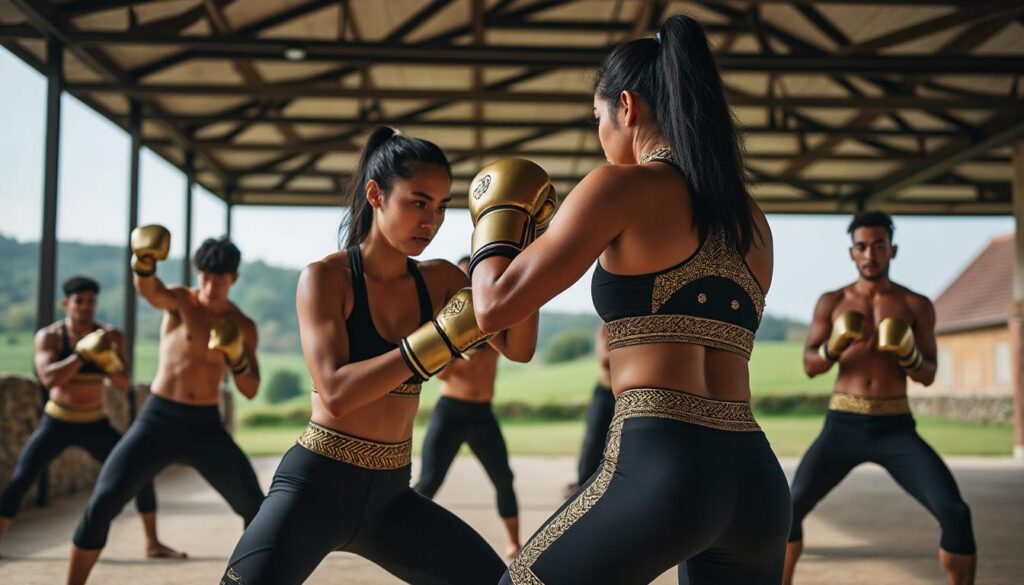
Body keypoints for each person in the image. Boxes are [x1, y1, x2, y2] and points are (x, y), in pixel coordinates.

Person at [471, 14, 790, 584]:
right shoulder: (752, 220)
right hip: (758, 481)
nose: (600, 133)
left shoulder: (621, 186)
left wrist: (495, 227)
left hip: (666, 463)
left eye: (598, 118)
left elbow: (495, 306)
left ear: (627, 106)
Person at [221, 127, 538, 585]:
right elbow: (335, 393)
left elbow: (519, 347)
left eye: (442, 206)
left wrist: (517, 251)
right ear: (376, 194)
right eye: (418, 201)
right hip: (316, 486)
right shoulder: (326, 278)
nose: (431, 220)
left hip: (391, 498)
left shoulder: (442, 280)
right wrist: (437, 342)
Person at [784, 210, 976, 585]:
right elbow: (810, 365)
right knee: (789, 508)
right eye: (861, 247)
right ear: (852, 254)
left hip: (895, 428)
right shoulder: (832, 301)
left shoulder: (915, 305)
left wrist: (908, 354)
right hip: (842, 425)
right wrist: (834, 346)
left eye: (878, 246)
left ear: (893, 250)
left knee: (955, 511)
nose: (870, 254)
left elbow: (928, 375)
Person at [67, 236, 265, 585]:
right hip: (159, 420)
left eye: (219, 278)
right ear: (197, 273)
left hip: (205, 426)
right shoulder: (180, 302)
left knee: (257, 510)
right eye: (205, 276)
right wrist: (143, 260)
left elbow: (250, 389)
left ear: (233, 279)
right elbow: (149, 289)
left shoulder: (244, 325)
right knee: (102, 504)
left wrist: (236, 358)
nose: (210, 285)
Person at [0, 276, 181, 560]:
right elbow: (48, 379)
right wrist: (83, 355)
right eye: (79, 301)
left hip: (94, 421)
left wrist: (106, 359)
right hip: (57, 421)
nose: (86, 307)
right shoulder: (49, 337)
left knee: (139, 471)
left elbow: (122, 384)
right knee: (22, 478)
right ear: (66, 304)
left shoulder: (111, 336)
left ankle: (153, 542)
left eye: (91, 302)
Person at [413, 255, 522, 560]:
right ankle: (410, 539)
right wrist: (460, 347)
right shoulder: (445, 322)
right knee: (430, 480)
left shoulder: (493, 321)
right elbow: (438, 372)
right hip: (451, 411)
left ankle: (514, 544)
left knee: (503, 478)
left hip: (482, 413)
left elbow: (518, 346)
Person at [564, 323, 614, 498]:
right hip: (605, 391)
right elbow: (605, 361)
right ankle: (583, 486)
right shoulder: (604, 329)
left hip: (625, 394)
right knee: (593, 442)